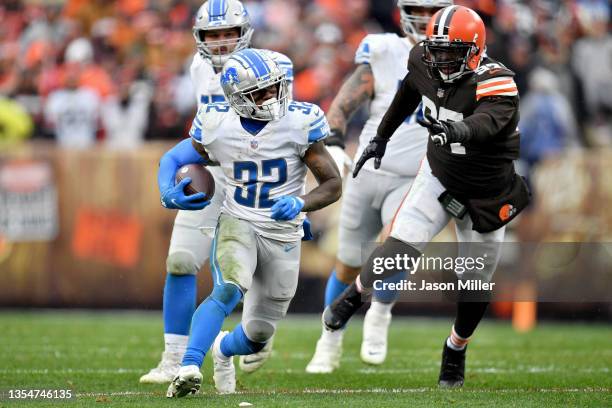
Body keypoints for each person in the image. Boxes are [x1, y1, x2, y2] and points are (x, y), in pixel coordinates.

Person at [323, 5, 529, 388]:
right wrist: (379, 138)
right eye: (436, 50)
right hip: (439, 175)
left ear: (474, 50)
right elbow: (407, 92)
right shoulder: (422, 56)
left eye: (451, 52)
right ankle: (356, 294)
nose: (441, 60)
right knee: (400, 244)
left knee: (476, 281)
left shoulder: (497, 81)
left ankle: (456, 347)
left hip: (485, 193)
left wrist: (457, 131)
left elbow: (487, 123)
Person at [163, 48, 341, 397]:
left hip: (282, 233)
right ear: (237, 97)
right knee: (229, 286)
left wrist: (301, 203)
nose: (271, 97)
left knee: (258, 334)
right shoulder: (217, 125)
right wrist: (167, 192)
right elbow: (172, 158)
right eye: (259, 92)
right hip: (238, 221)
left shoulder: (299, 122)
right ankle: (188, 366)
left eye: (274, 87)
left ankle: (223, 349)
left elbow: (333, 184)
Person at [139, 0, 296, 384]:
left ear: (245, 33)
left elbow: (287, 133)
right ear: (199, 38)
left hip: (252, 181)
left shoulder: (272, 66)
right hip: (214, 175)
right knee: (179, 260)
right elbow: (201, 134)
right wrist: (172, 182)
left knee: (247, 281)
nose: (222, 43)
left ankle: (254, 331)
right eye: (213, 34)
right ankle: (174, 358)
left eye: (229, 33)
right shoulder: (197, 68)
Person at [306, 0, 453, 373]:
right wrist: (335, 138)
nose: (424, 19)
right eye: (418, 10)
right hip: (368, 172)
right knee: (346, 265)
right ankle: (330, 338)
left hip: (416, 177)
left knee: (395, 248)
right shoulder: (385, 49)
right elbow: (350, 96)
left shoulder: (463, 58)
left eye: (432, 10)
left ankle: (380, 315)